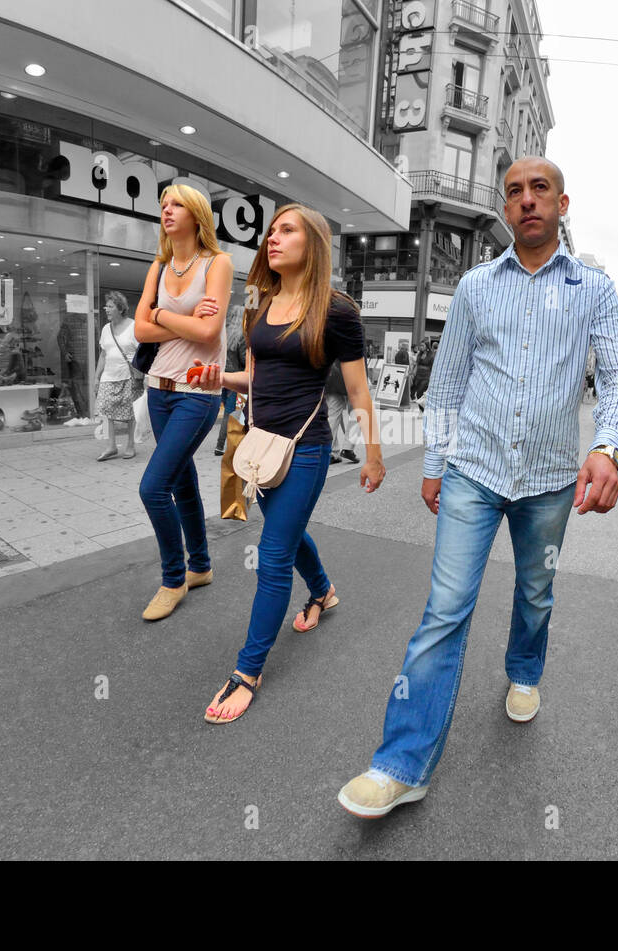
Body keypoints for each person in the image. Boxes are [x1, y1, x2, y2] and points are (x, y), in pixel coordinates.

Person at [338, 157, 618, 817]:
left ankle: (525, 670)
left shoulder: (595, 288)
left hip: (554, 479)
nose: (527, 200)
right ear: (504, 210)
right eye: (514, 192)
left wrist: (608, 445)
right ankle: (401, 763)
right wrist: (434, 462)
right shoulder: (475, 287)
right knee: (444, 609)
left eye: (540, 190)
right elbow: (447, 381)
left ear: (563, 202)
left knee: (535, 591)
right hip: (473, 469)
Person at [196, 204, 384, 724]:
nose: (272, 238)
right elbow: (255, 379)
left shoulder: (337, 310)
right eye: (271, 231)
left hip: (305, 449)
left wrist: (372, 452)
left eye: (286, 230)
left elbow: (357, 387)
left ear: (314, 243)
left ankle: (247, 670)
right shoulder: (260, 301)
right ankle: (323, 590)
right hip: (260, 445)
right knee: (289, 530)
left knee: (273, 552)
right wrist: (217, 378)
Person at [133, 183, 234, 622]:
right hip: (158, 389)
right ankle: (201, 565)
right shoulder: (157, 266)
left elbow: (209, 335)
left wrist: (160, 315)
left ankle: (173, 578)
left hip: (198, 393)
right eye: (163, 205)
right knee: (180, 483)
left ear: (196, 215)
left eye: (176, 204)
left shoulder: (218, 263)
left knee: (152, 487)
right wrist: (182, 320)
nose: (167, 211)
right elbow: (139, 330)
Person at [94, 291, 140, 461]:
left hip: (128, 375)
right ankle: (111, 446)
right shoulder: (106, 329)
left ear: (120, 308)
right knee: (106, 407)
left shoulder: (133, 326)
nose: (106, 309)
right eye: (106, 306)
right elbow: (103, 354)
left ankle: (130, 444)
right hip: (109, 375)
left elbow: (141, 353)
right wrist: (96, 377)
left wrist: (141, 375)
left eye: (110, 306)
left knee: (129, 411)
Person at [213, 305, 246, 456]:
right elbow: (244, 360)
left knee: (228, 410)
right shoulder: (241, 335)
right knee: (231, 413)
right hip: (235, 378)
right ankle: (221, 446)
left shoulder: (221, 332)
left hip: (221, 376)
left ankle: (224, 444)